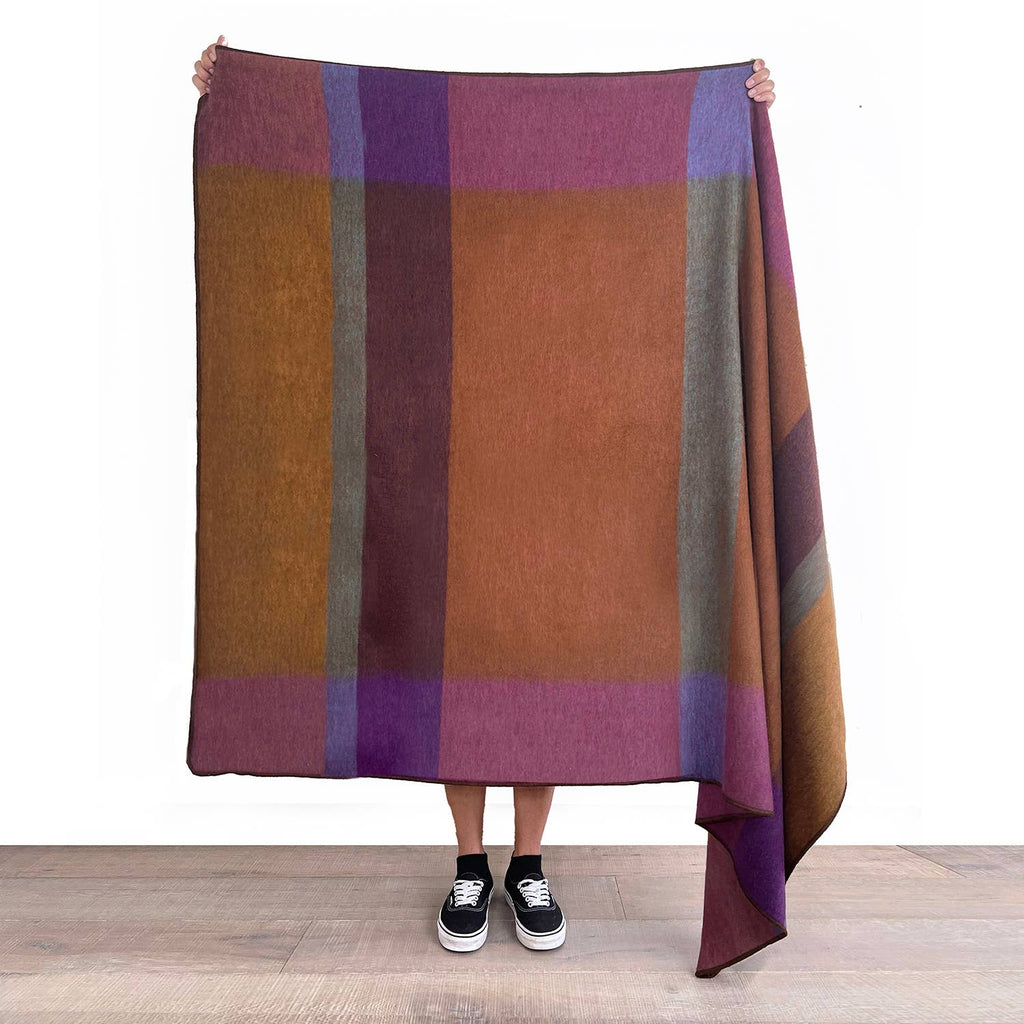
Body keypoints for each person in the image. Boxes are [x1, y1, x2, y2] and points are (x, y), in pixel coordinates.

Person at [189, 36, 776, 954]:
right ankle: (471, 865)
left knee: (542, 666)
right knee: (454, 667)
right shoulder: (442, 183)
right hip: (444, 449)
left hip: (559, 453)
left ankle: (527, 865)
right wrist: (236, 93)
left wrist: (738, 110)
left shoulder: (576, 187)